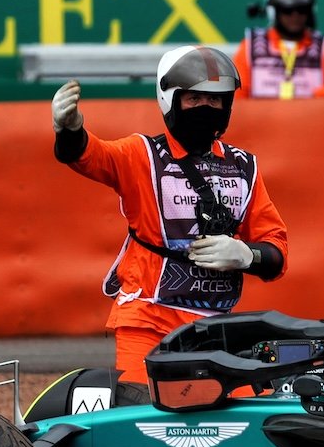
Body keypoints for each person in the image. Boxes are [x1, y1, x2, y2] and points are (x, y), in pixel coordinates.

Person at [52, 45, 290, 384]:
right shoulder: (142, 155)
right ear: (171, 100)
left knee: (248, 420)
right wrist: (70, 130)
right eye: (194, 98)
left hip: (218, 327)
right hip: (148, 318)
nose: (205, 107)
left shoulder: (243, 167)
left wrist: (246, 255)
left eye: (214, 99)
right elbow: (92, 156)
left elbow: (277, 251)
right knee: (137, 415)